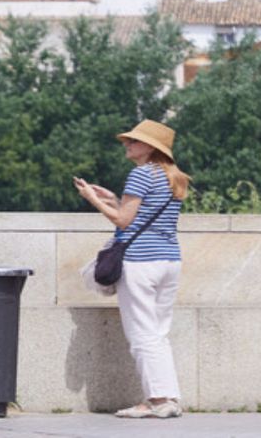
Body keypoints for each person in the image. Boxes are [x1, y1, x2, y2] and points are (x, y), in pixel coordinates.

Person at [74, 119, 191, 420]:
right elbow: (143, 215)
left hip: (140, 262)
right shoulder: (173, 176)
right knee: (159, 333)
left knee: (142, 334)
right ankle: (170, 399)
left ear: (151, 147)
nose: (127, 145)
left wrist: (91, 200)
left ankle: (155, 400)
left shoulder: (140, 174)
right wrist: (112, 199)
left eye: (134, 142)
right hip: (169, 260)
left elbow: (124, 222)